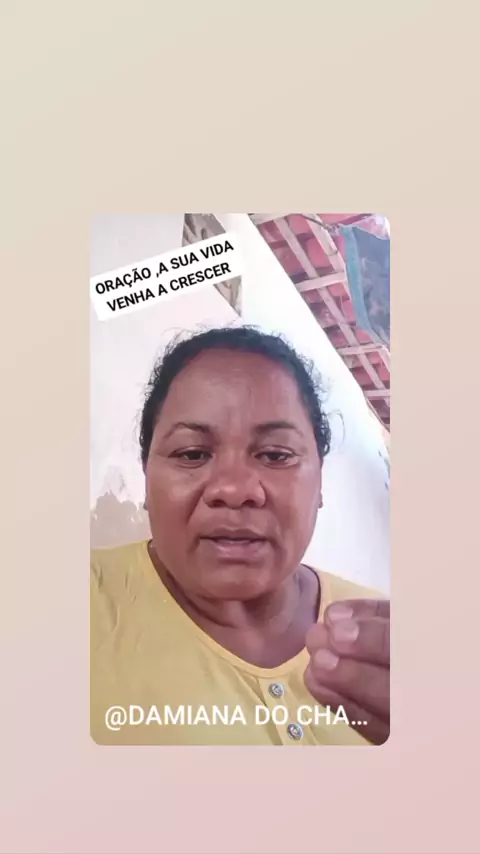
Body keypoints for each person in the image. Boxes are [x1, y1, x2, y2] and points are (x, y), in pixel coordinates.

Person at [91, 326, 390, 746]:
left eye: (275, 455)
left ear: (320, 481)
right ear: (146, 476)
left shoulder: (383, 637)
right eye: (192, 454)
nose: (234, 489)